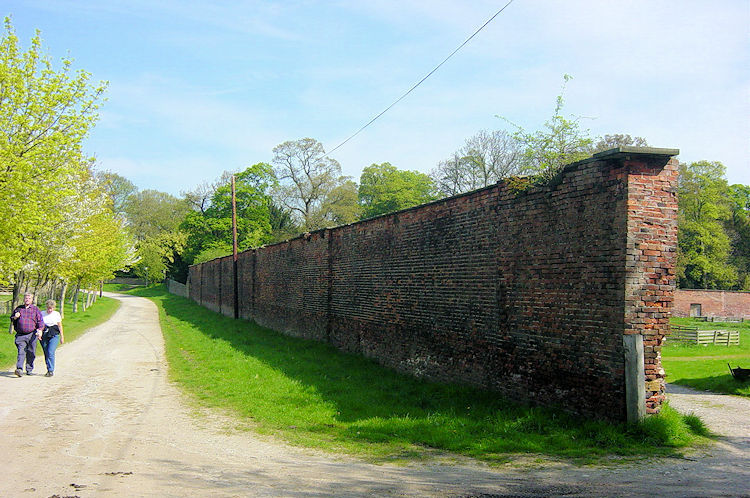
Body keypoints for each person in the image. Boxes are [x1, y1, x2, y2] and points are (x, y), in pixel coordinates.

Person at [10, 292, 45, 377]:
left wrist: (40, 330)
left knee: (31, 352)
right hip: (20, 335)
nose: (27, 300)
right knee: (21, 351)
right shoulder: (19, 309)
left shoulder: (35, 309)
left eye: (29, 298)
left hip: (32, 334)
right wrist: (15, 317)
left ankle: (29, 369)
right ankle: (19, 369)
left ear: (32, 300)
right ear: (24, 299)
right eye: (26, 298)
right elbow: (12, 318)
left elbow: (40, 321)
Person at [40, 299, 64, 377]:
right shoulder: (42, 314)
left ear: (54, 308)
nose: (49, 310)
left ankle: (51, 370)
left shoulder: (56, 314)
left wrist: (62, 337)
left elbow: (60, 326)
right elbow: (39, 325)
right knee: (46, 352)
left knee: (50, 351)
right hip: (44, 334)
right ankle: (48, 369)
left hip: (54, 334)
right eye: (48, 308)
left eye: (51, 308)